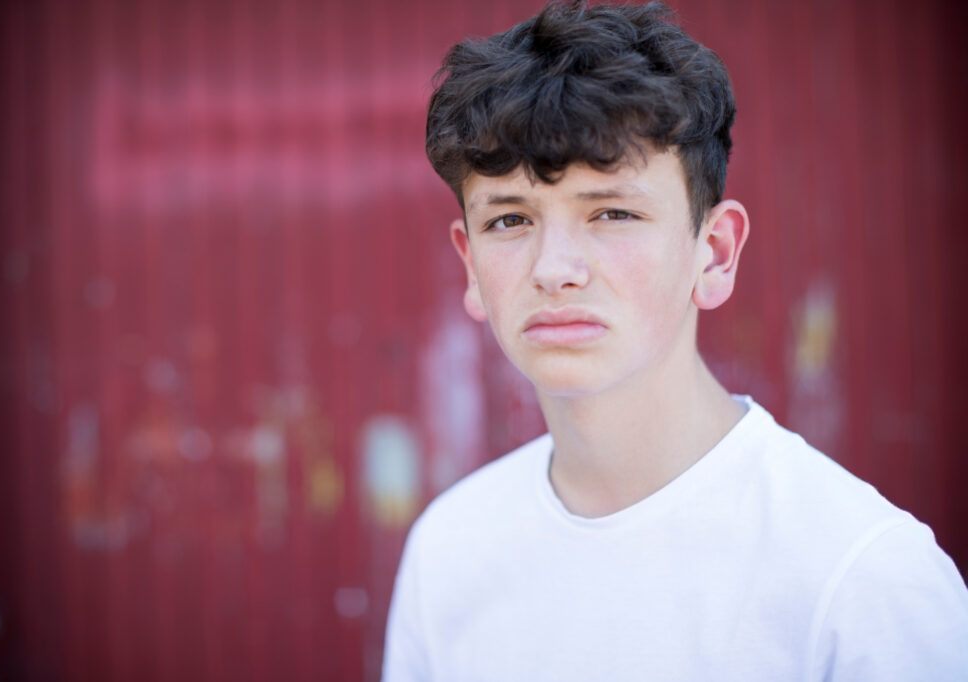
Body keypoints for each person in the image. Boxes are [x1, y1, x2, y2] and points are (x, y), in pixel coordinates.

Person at [382, 1, 968, 680]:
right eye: (510, 220)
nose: (553, 270)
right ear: (471, 266)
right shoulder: (450, 550)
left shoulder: (863, 580)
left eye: (612, 212)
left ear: (714, 253)